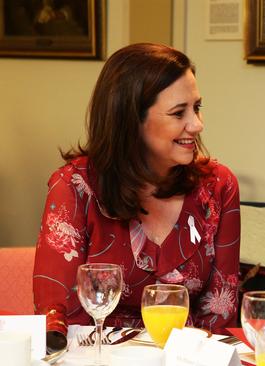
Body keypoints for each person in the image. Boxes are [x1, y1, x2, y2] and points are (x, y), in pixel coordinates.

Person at [33, 43, 240, 341]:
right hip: (97, 358)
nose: (197, 124)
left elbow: (220, 311)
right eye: (178, 112)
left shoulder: (218, 186)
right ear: (131, 120)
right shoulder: (74, 188)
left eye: (197, 108)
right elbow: (58, 317)